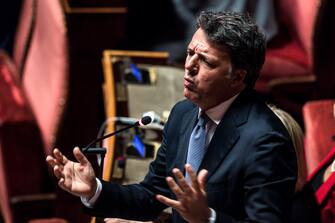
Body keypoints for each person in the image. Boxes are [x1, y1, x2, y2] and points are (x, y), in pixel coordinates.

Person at [46, 11, 297, 222]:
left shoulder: (266, 141)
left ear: (238, 77)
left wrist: (207, 218)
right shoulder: (183, 114)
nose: (189, 66)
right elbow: (152, 194)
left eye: (206, 62)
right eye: (190, 54)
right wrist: (94, 190)